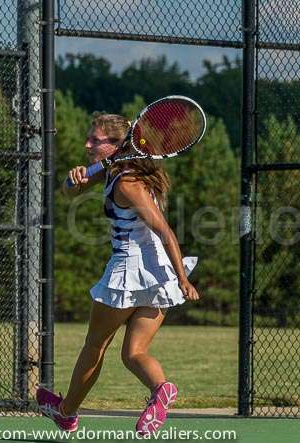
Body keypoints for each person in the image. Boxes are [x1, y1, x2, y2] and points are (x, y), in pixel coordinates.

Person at [37, 113, 200, 435]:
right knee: (134, 353)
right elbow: (69, 190)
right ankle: (161, 389)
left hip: (132, 272)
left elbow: (164, 231)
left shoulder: (126, 182)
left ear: (118, 145)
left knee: (95, 345)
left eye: (96, 140)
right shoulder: (117, 171)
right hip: (158, 278)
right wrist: (75, 178)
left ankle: (66, 412)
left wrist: (184, 279)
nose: (87, 144)